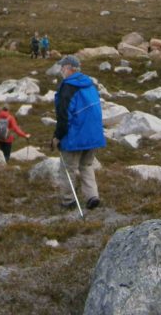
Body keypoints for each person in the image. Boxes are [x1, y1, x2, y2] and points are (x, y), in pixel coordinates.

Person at [52, 55, 105, 210]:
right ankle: (92, 196)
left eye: (63, 67)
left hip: (75, 136)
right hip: (93, 135)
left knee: (67, 169)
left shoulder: (67, 87)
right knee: (86, 165)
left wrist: (57, 136)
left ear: (69, 68)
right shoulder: (90, 85)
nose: (61, 70)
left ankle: (68, 201)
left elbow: (64, 115)